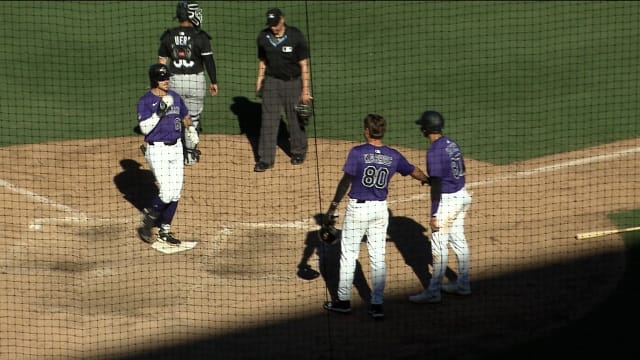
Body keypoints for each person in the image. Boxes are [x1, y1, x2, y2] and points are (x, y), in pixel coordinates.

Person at [322, 114, 429, 319]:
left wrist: (333, 207)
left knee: (348, 256)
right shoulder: (393, 155)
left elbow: (345, 181)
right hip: (380, 211)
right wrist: (427, 180)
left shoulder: (358, 153)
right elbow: (413, 170)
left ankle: (343, 302)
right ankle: (377, 304)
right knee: (377, 257)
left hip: (358, 211)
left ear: (366, 131)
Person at [409, 110, 473, 304]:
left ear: (427, 129)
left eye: (422, 126)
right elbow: (461, 168)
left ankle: (433, 291)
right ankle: (463, 284)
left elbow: (436, 186)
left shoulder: (434, 152)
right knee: (458, 239)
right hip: (462, 195)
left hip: (447, 202)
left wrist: (434, 213)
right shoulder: (451, 143)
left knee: (438, 245)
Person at [136, 63, 192, 246]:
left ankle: (165, 230)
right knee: (167, 193)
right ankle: (148, 218)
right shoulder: (145, 101)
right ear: (154, 80)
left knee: (176, 193)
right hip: (157, 148)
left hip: (176, 148)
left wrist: (191, 130)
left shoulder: (174, 96)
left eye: (167, 77)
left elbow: (185, 116)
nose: (166, 81)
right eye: (162, 78)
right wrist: (159, 112)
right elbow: (144, 128)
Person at [158, 1, 219, 165]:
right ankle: (190, 156)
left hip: (174, 81)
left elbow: (161, 63)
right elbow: (209, 61)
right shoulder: (201, 36)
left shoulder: (168, 35)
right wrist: (214, 81)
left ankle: (172, 155)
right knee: (193, 118)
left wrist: (161, 84)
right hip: (195, 81)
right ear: (191, 15)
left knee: (174, 117)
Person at [254, 7, 312, 172]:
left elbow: (303, 64)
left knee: (294, 119)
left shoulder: (295, 36)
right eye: (270, 24)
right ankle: (265, 159)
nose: (273, 27)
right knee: (268, 121)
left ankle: (298, 152)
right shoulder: (263, 37)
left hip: (293, 83)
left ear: (282, 20)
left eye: (275, 23)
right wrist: (259, 80)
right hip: (272, 82)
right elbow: (263, 60)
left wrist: (305, 89)